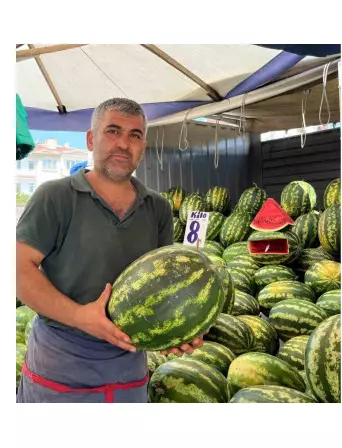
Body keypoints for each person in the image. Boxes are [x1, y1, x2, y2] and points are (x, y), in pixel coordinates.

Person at [16, 98, 203, 403]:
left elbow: (166, 285)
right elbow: (18, 269)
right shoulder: (55, 196)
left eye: (135, 135)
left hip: (128, 370)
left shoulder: (158, 208)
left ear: (143, 146)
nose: (123, 144)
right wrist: (80, 316)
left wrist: (179, 331)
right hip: (61, 369)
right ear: (91, 139)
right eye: (113, 131)